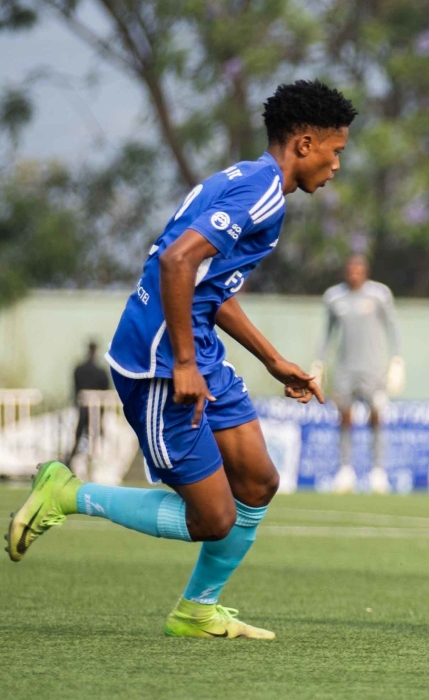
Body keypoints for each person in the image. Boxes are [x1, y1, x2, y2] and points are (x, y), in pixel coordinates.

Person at [5, 80, 357, 639]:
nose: (338, 166)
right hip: (158, 364)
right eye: (337, 152)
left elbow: (208, 285)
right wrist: (184, 364)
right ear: (306, 144)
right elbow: (176, 262)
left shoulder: (245, 179)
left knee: (259, 482)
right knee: (213, 520)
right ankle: (67, 493)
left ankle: (198, 609)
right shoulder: (259, 193)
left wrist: (271, 359)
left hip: (195, 349)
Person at [312, 254, 404, 494]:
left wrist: (396, 360)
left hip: (373, 368)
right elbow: (327, 333)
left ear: (366, 271)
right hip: (345, 368)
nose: (354, 273)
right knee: (344, 417)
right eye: (350, 269)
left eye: (358, 269)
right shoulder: (334, 297)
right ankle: (345, 470)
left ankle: (377, 471)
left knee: (376, 416)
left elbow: (393, 327)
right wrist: (319, 363)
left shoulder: (379, 295)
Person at [67, 340, 112, 461]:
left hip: (83, 408)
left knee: (79, 434)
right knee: (96, 434)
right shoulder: (100, 372)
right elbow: (105, 391)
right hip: (96, 410)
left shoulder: (79, 369)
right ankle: (96, 457)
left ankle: (73, 457)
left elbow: (75, 390)